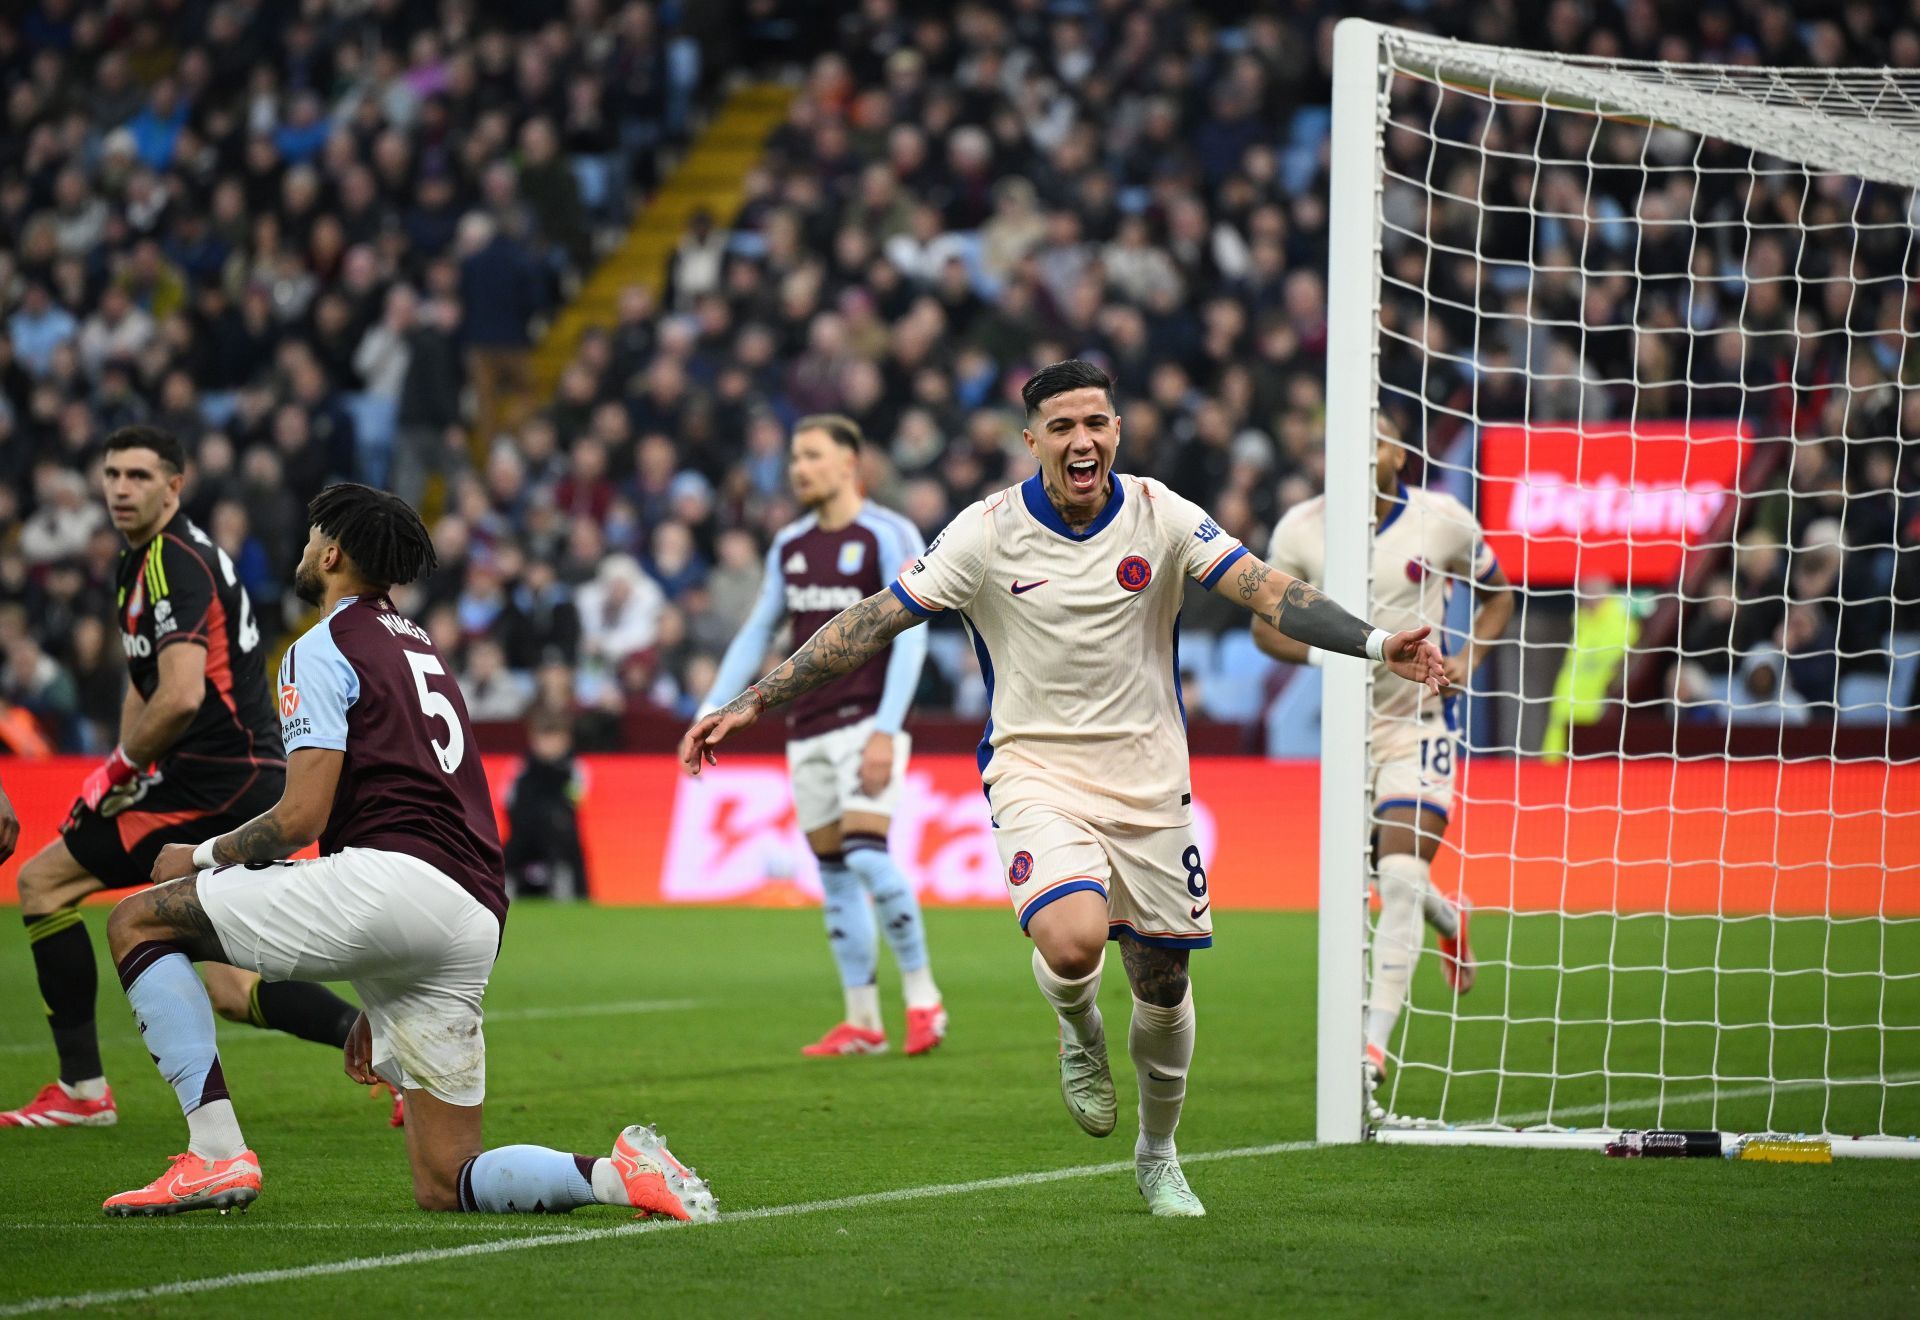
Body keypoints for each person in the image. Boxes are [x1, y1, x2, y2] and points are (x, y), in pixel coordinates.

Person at [681, 361, 1444, 1216]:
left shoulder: (1162, 515)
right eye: (1063, 426)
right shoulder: (986, 532)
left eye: (1097, 423)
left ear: (1116, 430)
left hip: (1152, 783)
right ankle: (1077, 1029)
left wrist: (1380, 644)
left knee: (1162, 985)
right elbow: (870, 621)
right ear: (1032, 440)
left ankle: (1158, 1156)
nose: (1083, 440)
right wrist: (750, 701)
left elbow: (1269, 589)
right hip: (1034, 770)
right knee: (1076, 943)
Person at [101, 484, 717, 1221]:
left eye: (311, 536)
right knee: (444, 1179)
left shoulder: (321, 646)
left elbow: (301, 817)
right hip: (471, 915)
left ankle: (214, 1154)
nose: (302, 548)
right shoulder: (417, 642)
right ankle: (618, 1176)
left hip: (392, 883)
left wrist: (199, 857)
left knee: (137, 921)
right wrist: (379, 986)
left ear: (332, 553)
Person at [4, 426, 370, 1132]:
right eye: (111, 474)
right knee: (232, 988)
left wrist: (115, 769)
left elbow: (179, 696)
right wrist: (121, 770)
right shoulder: (145, 562)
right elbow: (146, 687)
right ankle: (381, 1051)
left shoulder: (171, 562)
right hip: (227, 775)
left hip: (217, 780)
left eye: (139, 476)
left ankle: (83, 1090)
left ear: (175, 486)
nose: (119, 488)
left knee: (43, 882)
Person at [1255, 415, 1513, 1109]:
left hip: (1418, 726)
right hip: (1344, 736)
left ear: (1399, 452)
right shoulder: (1301, 529)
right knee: (1374, 877)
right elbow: (1263, 626)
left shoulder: (1444, 521)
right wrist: (1330, 658)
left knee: (1397, 874)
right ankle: (1450, 920)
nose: (1362, 452)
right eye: (1347, 442)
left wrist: (1467, 659)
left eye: (1376, 440)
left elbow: (1499, 596)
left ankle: (1369, 1052)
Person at [698, 415, 945, 1057]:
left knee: (866, 852)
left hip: (868, 721)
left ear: (849, 464)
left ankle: (924, 1001)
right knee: (834, 872)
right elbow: (758, 632)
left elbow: (913, 629)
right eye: (794, 457)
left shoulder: (891, 533)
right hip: (805, 726)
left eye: (811, 455)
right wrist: (709, 707)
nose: (797, 468)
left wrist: (888, 729)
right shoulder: (790, 544)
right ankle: (862, 1020)